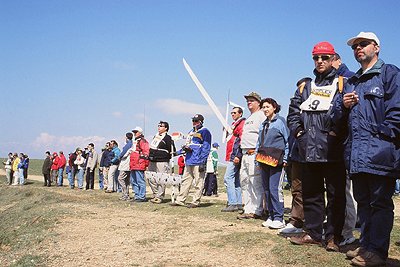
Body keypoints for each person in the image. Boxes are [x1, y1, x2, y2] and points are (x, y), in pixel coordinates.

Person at [333, 32, 400, 266]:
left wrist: (384, 138)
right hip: (356, 153)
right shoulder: (351, 81)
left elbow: (397, 111)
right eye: (355, 46)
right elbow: (335, 119)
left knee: (380, 203)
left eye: (363, 44)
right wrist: (342, 105)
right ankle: (367, 245)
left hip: (380, 151)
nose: (358, 48)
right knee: (363, 202)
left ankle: (378, 252)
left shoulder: (389, 73)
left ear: (376, 47)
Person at [287, 41, 346, 252]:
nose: (320, 61)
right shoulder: (305, 87)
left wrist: (336, 134)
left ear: (333, 59)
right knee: (311, 195)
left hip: (333, 152)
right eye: (316, 58)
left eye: (324, 57)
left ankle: (333, 237)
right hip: (308, 150)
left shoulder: (342, 83)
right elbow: (293, 114)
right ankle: (312, 233)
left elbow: (348, 113)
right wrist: (300, 134)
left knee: (336, 196)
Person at [333, 52, 358, 247]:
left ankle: (348, 230)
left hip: (346, 142)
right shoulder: (331, 81)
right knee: (339, 190)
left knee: (347, 191)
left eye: (328, 59)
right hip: (338, 144)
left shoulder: (347, 78)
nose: (323, 63)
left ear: (337, 60)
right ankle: (340, 227)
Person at [256, 98, 289, 229]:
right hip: (263, 160)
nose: (265, 109)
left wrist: (286, 159)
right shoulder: (263, 124)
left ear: (274, 107)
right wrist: (256, 159)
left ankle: (279, 217)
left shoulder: (280, 122)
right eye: (263, 107)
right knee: (267, 189)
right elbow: (259, 143)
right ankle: (271, 215)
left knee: (275, 189)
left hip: (277, 161)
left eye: (267, 106)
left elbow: (287, 140)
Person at [237, 92, 266, 220]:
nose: (249, 102)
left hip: (254, 153)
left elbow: (264, 134)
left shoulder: (261, 116)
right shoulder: (249, 118)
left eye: (252, 100)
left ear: (258, 103)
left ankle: (257, 209)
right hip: (244, 153)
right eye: (248, 100)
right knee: (245, 182)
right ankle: (248, 207)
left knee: (255, 182)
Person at [172, 114, 211, 208]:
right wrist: (177, 152)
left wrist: (203, 161)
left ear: (201, 121)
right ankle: (180, 200)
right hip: (189, 160)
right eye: (193, 120)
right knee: (185, 181)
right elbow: (188, 144)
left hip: (198, 161)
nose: (194, 123)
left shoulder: (205, 131)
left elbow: (206, 147)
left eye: (196, 121)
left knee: (198, 182)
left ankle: (195, 201)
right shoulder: (190, 132)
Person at [221, 107, 246, 212]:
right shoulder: (234, 124)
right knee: (235, 180)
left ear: (240, 114)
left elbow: (241, 139)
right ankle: (239, 202)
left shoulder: (241, 124)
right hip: (233, 154)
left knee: (228, 178)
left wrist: (238, 155)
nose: (232, 114)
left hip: (235, 155)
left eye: (235, 113)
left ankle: (232, 202)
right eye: (231, 113)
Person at [147, 121, 176, 204]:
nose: (159, 127)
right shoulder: (155, 137)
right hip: (152, 160)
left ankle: (160, 196)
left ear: (166, 128)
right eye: (158, 126)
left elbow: (172, 150)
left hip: (162, 161)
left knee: (161, 179)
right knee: (151, 178)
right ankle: (155, 194)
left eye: (161, 126)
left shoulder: (168, 138)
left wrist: (166, 156)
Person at [130, 127, 150, 202]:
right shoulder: (134, 141)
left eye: (136, 132)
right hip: (133, 164)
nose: (134, 133)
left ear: (140, 133)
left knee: (140, 180)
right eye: (134, 132)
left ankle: (142, 196)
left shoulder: (143, 141)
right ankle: (137, 195)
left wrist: (144, 162)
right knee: (133, 181)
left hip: (139, 163)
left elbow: (146, 152)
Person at [117, 132, 134, 200]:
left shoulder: (128, 145)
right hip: (129, 164)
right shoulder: (132, 144)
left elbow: (123, 154)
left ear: (126, 137)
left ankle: (125, 194)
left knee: (120, 178)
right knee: (126, 180)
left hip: (125, 164)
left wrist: (119, 157)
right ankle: (126, 194)